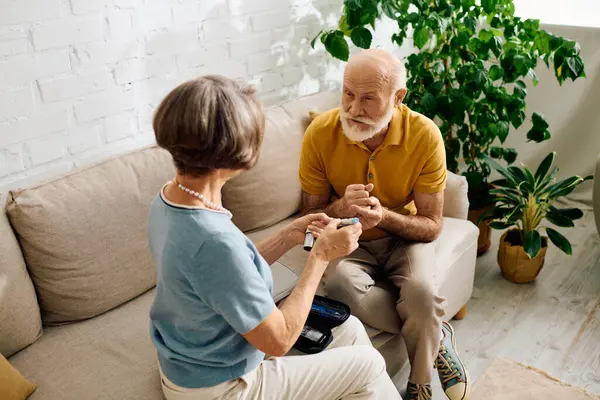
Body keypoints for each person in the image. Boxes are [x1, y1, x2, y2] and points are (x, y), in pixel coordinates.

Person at [147, 75, 402, 400]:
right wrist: (319, 257)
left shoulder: (169, 199)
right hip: (220, 386)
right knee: (367, 364)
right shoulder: (214, 240)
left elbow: (220, 270)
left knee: (348, 329)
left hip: (193, 357)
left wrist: (287, 237)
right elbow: (278, 339)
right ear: (236, 151)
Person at [299, 49, 471, 400]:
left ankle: (419, 385)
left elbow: (432, 226)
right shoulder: (320, 133)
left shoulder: (423, 135)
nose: (353, 108)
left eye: (368, 98)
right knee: (343, 285)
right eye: (348, 93)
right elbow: (311, 216)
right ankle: (436, 335)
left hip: (403, 237)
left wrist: (386, 217)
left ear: (397, 98)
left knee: (421, 293)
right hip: (349, 238)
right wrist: (342, 206)